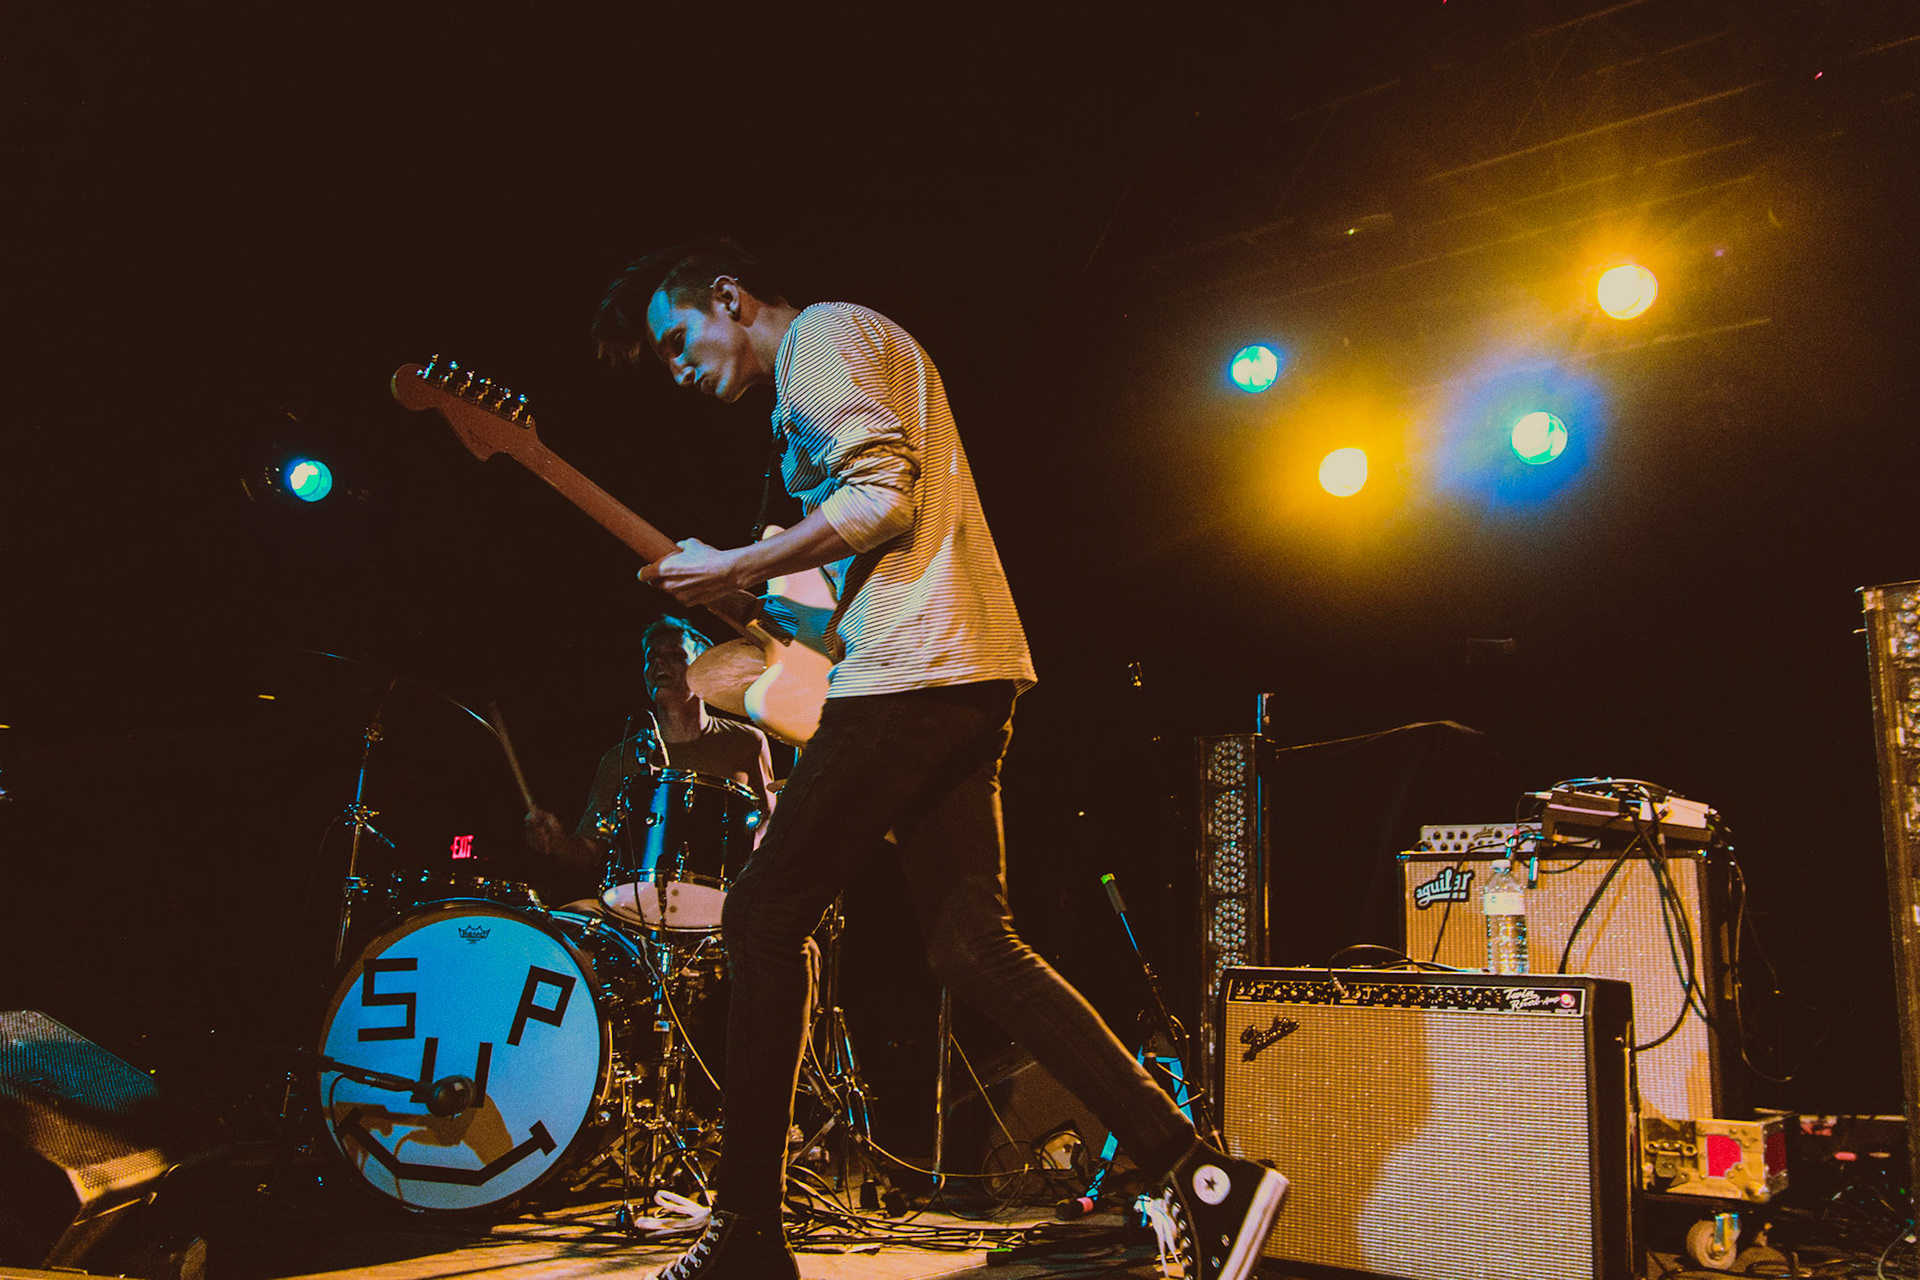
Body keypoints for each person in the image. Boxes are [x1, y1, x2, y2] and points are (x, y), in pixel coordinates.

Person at [593, 240, 1287, 1280]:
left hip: (912, 678)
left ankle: (746, 1235)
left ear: (728, 297)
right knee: (973, 948)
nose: (677, 367)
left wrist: (735, 561)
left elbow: (883, 500)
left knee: (762, 916)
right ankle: (1202, 1175)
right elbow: (877, 547)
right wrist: (754, 595)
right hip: (959, 669)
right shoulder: (843, 353)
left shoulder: (819, 338)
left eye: (675, 338)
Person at [525, 615, 776, 909]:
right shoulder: (620, 759)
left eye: (675, 655)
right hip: (638, 906)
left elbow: (772, 820)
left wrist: (745, 866)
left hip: (723, 904)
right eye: (651, 658)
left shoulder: (747, 741)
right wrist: (557, 843)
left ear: (704, 669)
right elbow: (589, 851)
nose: (659, 663)